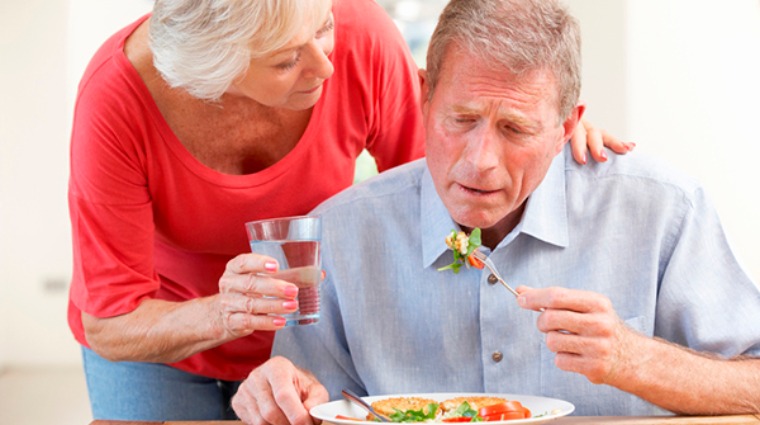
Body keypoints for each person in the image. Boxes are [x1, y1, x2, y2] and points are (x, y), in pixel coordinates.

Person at [67, 0, 628, 420]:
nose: (326, 67)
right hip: (164, 339)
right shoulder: (117, 100)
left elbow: (444, 189)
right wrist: (223, 314)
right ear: (219, 77)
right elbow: (110, 322)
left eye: (322, 27)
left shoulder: (360, 40)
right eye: (288, 60)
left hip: (314, 338)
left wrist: (548, 136)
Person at [231, 0, 760, 422]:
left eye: (516, 129)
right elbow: (316, 399)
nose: (481, 162)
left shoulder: (662, 209)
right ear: (423, 97)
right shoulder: (342, 231)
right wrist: (282, 398)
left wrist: (634, 359)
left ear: (566, 127)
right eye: (461, 119)